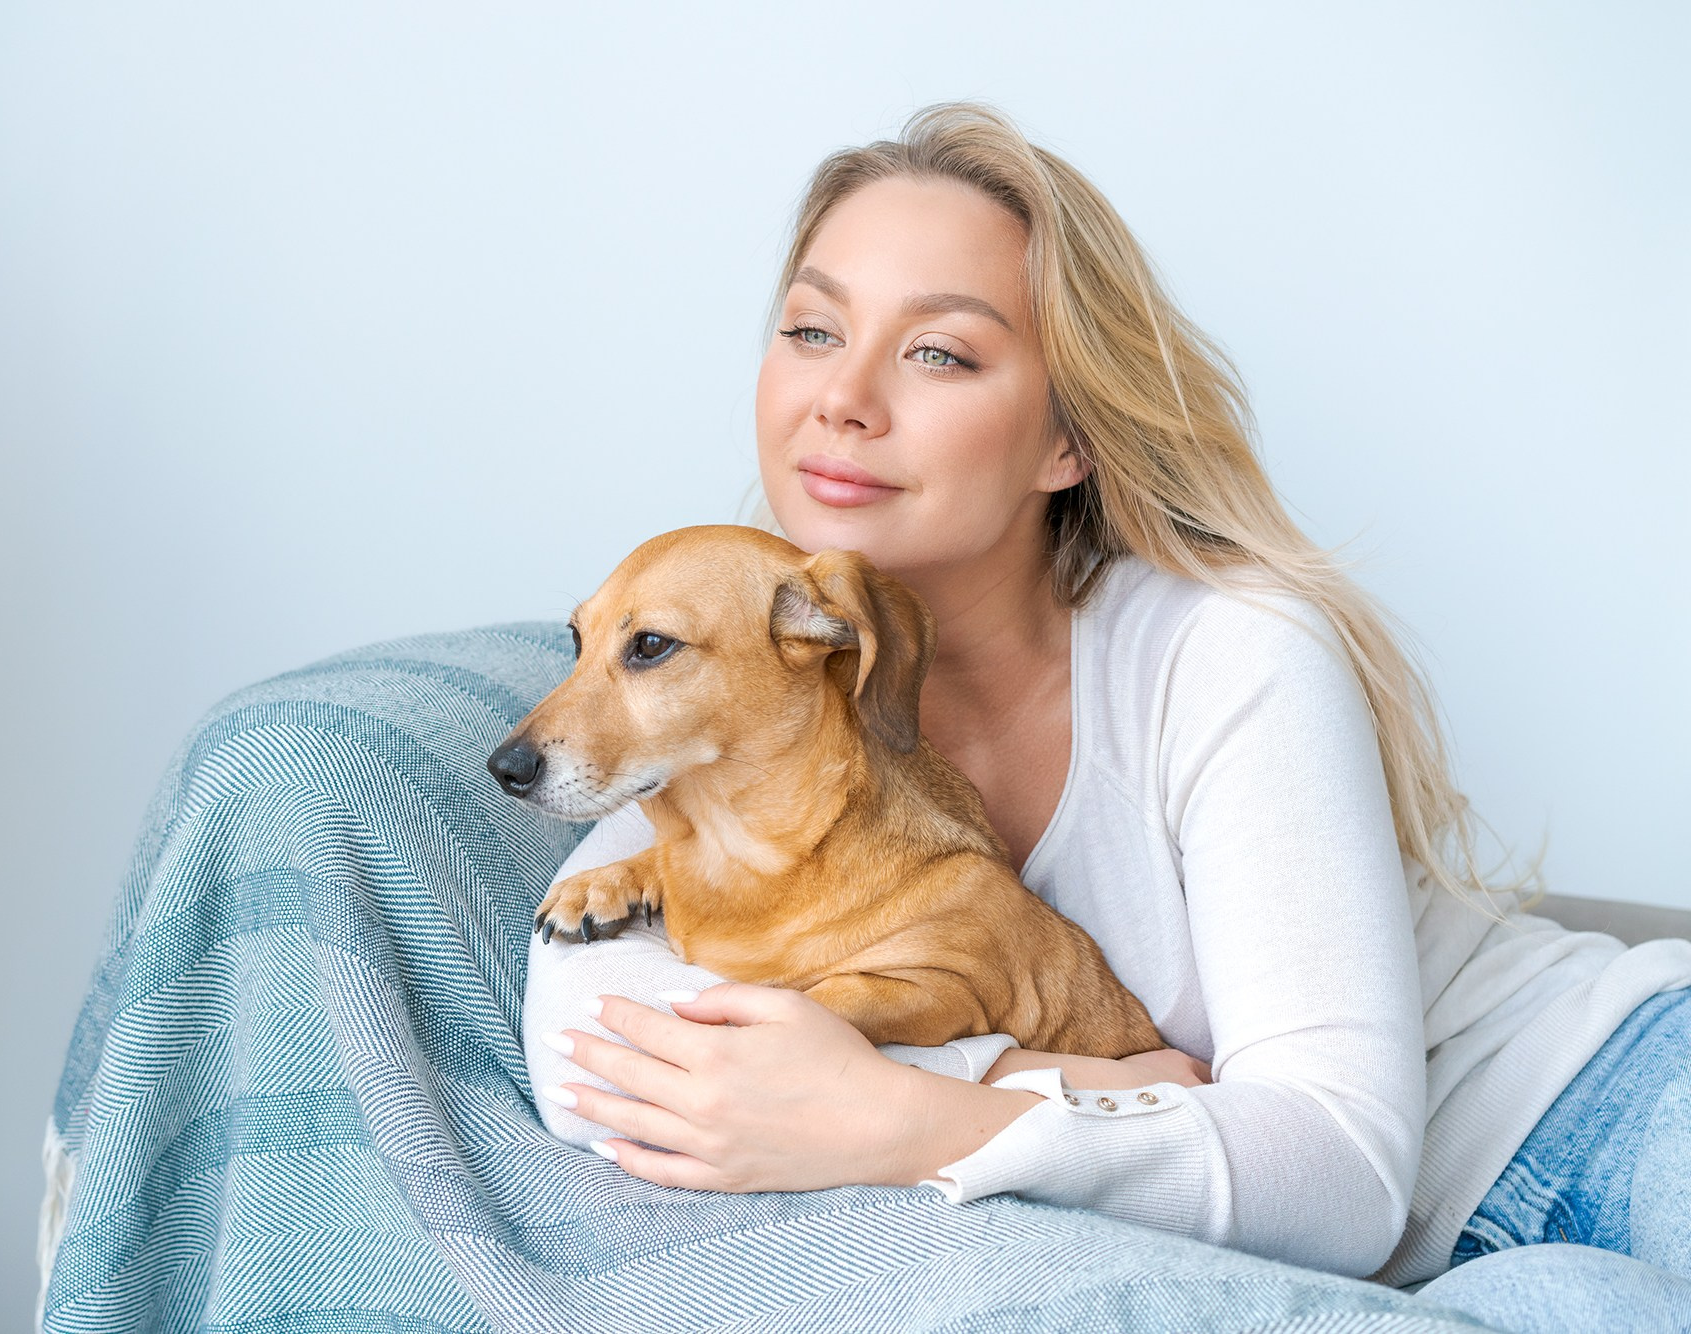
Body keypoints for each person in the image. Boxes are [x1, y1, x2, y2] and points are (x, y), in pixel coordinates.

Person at [520, 100, 1691, 1329]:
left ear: (1064, 441)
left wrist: (913, 1116)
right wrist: (1033, 1076)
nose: (843, 400)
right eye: (811, 329)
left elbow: (1340, 1172)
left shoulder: (1224, 650)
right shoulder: (737, 692)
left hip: (1600, 1097)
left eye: (939, 353)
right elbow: (592, 1058)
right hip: (1387, 1276)